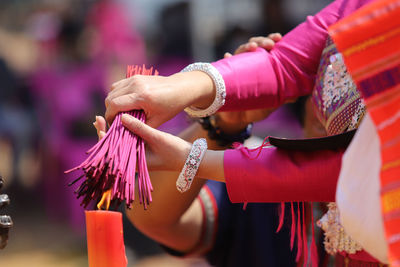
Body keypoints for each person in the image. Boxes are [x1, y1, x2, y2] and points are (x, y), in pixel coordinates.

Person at [99, 0, 387, 265]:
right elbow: (152, 219)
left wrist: (190, 155)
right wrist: (219, 122)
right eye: (331, 94)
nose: (333, 118)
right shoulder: (265, 197)